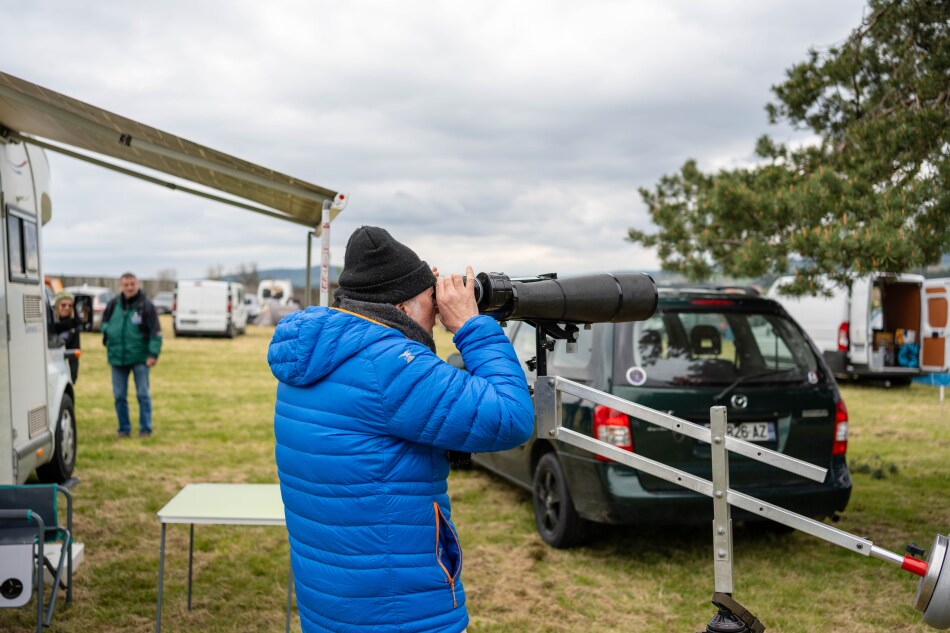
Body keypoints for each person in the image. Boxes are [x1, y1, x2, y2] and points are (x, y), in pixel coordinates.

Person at [268, 226, 534, 633]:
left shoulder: (316, 355)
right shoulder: (390, 365)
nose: (437, 310)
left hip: (334, 599)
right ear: (403, 306)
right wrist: (471, 326)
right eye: (431, 299)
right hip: (401, 610)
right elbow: (511, 417)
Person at [102, 272, 162, 438]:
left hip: (140, 358)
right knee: (119, 396)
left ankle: (145, 429)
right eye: (126, 285)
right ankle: (124, 429)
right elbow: (105, 324)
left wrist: (153, 354)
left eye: (132, 284)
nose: (129, 287)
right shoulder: (113, 304)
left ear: (138, 285)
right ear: (121, 286)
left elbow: (156, 333)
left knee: (143, 394)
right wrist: (108, 335)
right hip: (117, 358)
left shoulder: (146, 306)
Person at [52, 290, 81, 383]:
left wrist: (73, 375)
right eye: (63, 305)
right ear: (56, 306)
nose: (67, 308)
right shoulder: (49, 323)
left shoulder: (74, 326)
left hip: (64, 368)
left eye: (70, 305)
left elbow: (74, 352)